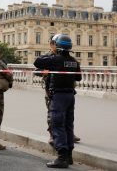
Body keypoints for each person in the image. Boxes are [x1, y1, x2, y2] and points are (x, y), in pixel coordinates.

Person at [34, 34, 82, 168]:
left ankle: (62, 157)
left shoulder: (55, 59)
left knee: (58, 125)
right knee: (68, 125)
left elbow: (37, 62)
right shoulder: (74, 61)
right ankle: (69, 156)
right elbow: (78, 78)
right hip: (70, 96)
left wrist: (53, 52)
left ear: (57, 45)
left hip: (59, 96)